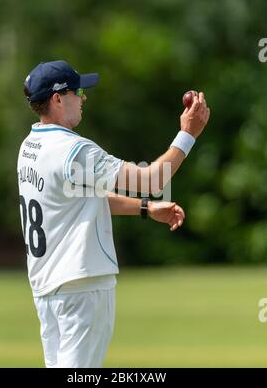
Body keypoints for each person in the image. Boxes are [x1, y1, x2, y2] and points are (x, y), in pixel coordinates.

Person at [17, 60, 210, 368]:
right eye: (78, 91)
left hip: (48, 288)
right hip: (82, 286)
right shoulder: (74, 150)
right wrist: (188, 134)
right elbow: (152, 180)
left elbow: (80, 196)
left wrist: (145, 208)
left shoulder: (30, 146)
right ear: (57, 98)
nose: (83, 97)